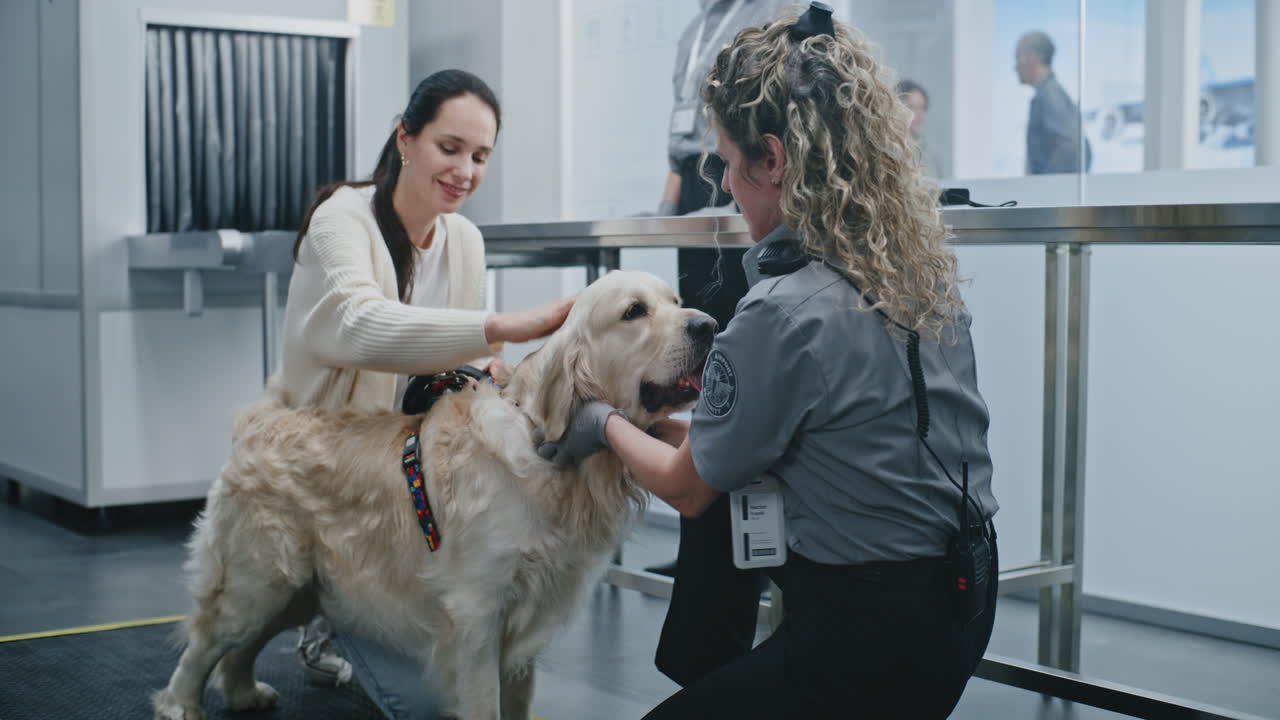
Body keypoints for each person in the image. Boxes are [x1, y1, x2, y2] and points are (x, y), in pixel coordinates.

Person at [539, 4, 999, 717]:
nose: (725, 184)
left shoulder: (780, 311)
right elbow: (764, 439)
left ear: (774, 161)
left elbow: (687, 489)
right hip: (965, 601)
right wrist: (660, 427)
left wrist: (600, 423)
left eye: (728, 163)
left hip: (872, 630)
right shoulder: (916, 275)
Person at [278, 69, 573, 718]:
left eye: (480, 156)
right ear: (405, 139)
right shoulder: (342, 219)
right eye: (450, 147)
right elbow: (360, 325)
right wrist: (500, 327)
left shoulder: (463, 238)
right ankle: (322, 603)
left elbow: (457, 359)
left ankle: (328, 605)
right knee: (427, 700)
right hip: (331, 470)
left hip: (410, 476)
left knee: (449, 671)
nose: (465, 171)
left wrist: (493, 369)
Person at [648, 0, 785, 579]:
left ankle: (740, 556)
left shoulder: (774, 9)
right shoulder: (696, 26)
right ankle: (704, 549)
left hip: (736, 172)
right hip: (696, 185)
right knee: (695, 359)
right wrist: (669, 200)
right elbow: (679, 123)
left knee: (733, 361)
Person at [1016, 30, 1091, 174]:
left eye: (1018, 58)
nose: (1016, 67)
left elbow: (1076, 150)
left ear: (1032, 59)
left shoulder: (1050, 95)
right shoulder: (1047, 94)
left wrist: (1047, 182)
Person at [897, 79, 942, 179]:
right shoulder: (891, 148)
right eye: (912, 107)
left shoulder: (929, 151)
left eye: (922, 108)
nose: (919, 114)